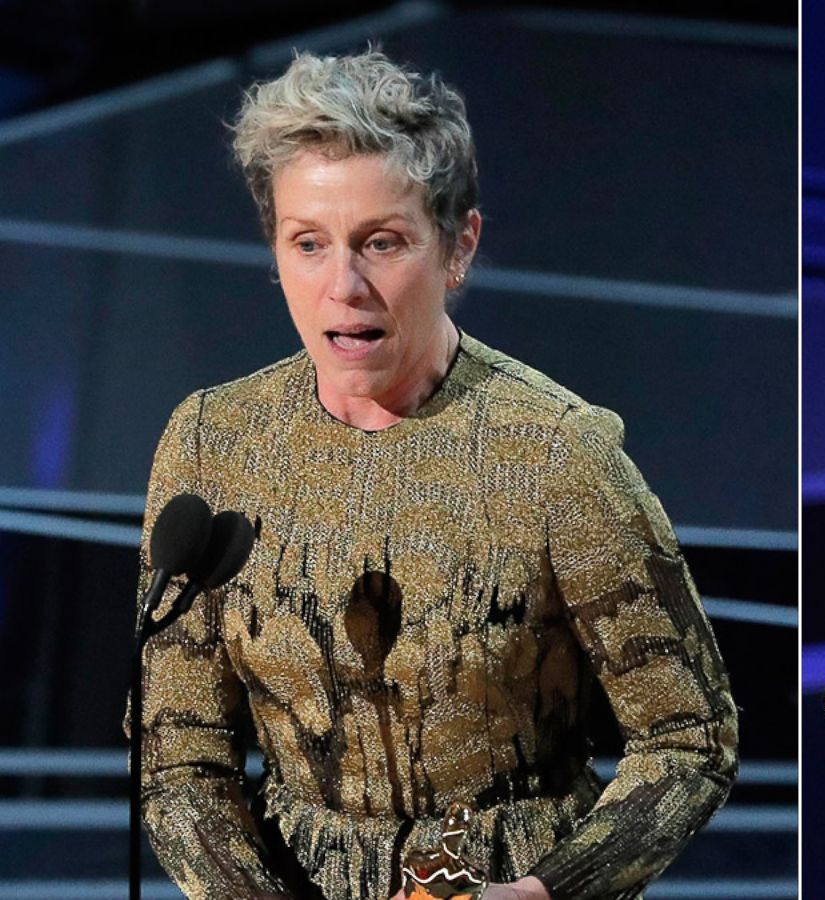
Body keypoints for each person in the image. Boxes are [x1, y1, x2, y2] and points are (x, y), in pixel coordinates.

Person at [134, 50, 737, 900]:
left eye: (382, 243)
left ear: (458, 247)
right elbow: (177, 751)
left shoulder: (555, 453)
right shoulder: (212, 442)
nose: (344, 285)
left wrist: (543, 893)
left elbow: (688, 736)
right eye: (309, 243)